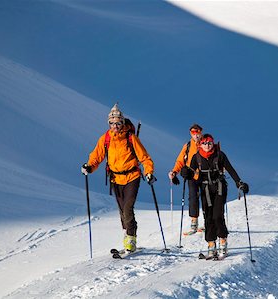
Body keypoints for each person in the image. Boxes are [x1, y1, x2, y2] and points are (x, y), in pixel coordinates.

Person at [81, 104, 155, 252]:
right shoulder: (106, 139)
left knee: (128, 207)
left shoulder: (130, 137)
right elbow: (96, 157)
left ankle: (131, 238)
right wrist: (89, 167)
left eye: (118, 123)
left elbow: (145, 158)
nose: (115, 126)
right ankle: (127, 234)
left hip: (132, 176)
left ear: (122, 123)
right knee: (122, 210)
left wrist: (149, 172)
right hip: (115, 178)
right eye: (112, 123)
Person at [184, 134, 249, 259]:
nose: (207, 145)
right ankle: (211, 244)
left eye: (209, 143)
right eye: (204, 143)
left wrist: (239, 183)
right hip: (205, 190)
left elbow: (230, 169)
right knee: (208, 217)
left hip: (219, 188)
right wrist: (185, 173)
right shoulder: (196, 157)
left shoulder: (220, 155)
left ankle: (223, 241)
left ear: (213, 143)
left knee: (217, 215)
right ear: (200, 144)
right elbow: (191, 171)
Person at [168, 124, 204, 235]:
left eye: (197, 132)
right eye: (193, 133)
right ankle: (194, 223)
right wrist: (174, 172)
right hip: (191, 176)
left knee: (207, 198)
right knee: (193, 197)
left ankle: (209, 221)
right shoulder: (188, 146)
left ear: (201, 132)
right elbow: (180, 161)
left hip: (205, 175)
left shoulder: (205, 143)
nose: (196, 135)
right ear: (190, 133)